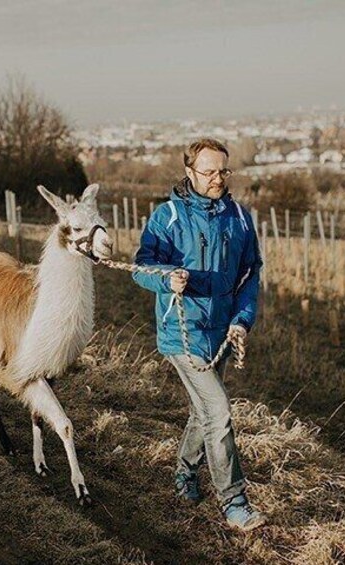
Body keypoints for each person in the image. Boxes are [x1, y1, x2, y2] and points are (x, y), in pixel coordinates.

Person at [132, 138, 266, 531]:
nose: (218, 179)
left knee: (203, 411)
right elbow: (142, 267)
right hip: (182, 332)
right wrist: (165, 279)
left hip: (221, 332)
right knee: (219, 412)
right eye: (208, 172)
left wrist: (242, 320)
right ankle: (234, 501)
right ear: (189, 172)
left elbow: (249, 274)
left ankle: (185, 472)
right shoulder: (167, 216)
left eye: (223, 171)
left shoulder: (239, 218)